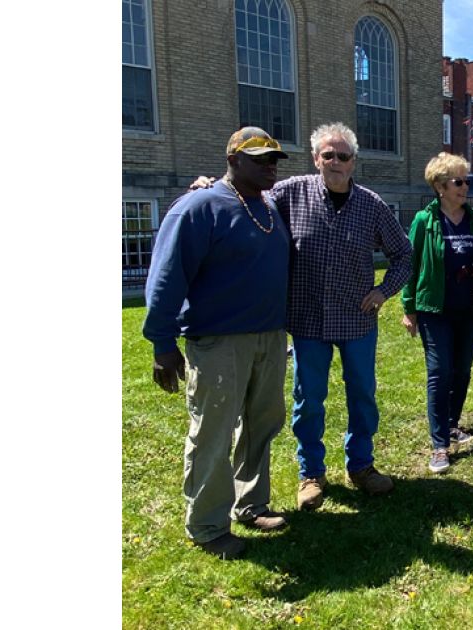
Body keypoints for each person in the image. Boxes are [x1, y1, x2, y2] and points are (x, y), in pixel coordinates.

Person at [190, 122, 413, 507]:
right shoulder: (290, 193)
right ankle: (311, 473)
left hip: (357, 321)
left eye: (343, 156)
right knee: (309, 399)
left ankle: (361, 465)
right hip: (308, 319)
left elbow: (404, 255)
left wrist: (383, 291)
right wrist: (211, 189)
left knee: (363, 396)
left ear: (354, 162)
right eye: (329, 155)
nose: (336, 162)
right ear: (316, 159)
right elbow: (244, 200)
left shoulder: (372, 205)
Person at [143, 126, 291, 560]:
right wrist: (161, 342)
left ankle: (251, 503)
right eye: (260, 158)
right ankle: (207, 525)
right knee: (213, 431)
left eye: (274, 159)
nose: (269, 166)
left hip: (268, 337)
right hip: (219, 341)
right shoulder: (199, 207)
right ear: (233, 160)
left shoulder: (268, 206)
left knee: (262, 425)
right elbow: (166, 279)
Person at [401, 153, 473, 474]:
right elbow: (410, 265)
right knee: (440, 372)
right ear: (440, 186)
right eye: (459, 181)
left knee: (462, 371)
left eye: (466, 181)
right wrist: (409, 308)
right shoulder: (424, 221)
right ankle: (440, 445)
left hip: (472, 313)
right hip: (435, 310)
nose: (465, 187)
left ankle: (452, 424)